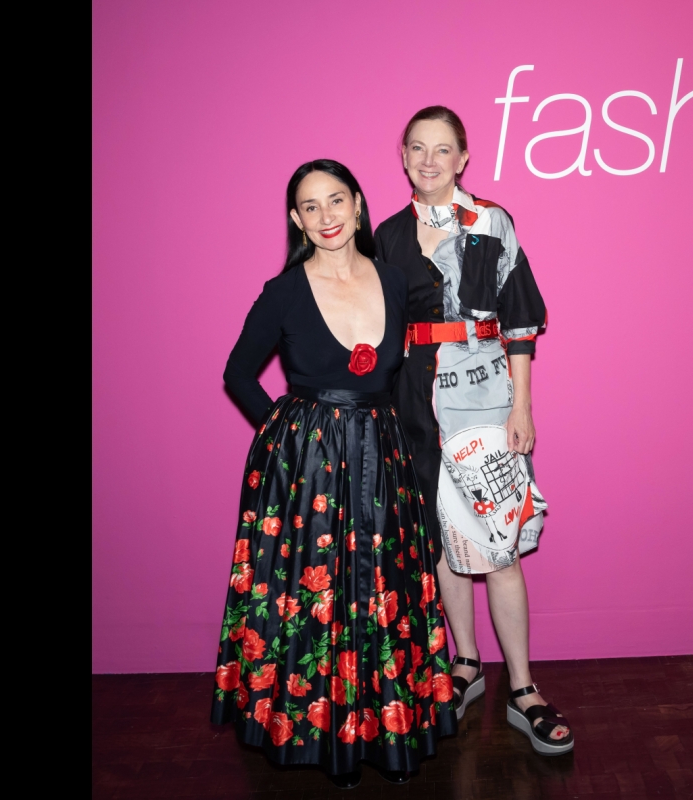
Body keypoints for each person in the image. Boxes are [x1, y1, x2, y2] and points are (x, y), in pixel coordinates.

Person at [212, 159, 456, 788]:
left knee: (384, 591)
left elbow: (413, 369)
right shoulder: (285, 291)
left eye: (336, 201)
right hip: (310, 469)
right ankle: (321, 739)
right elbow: (239, 374)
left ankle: (389, 729)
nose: (326, 217)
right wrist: (286, 435)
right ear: (296, 219)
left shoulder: (397, 282)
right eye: (310, 207)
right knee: (318, 599)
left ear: (357, 205)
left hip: (384, 456)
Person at [374, 107, 573, 756]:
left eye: (442, 150)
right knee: (442, 545)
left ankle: (523, 689)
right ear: (402, 157)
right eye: (416, 149)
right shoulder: (385, 236)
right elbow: (373, 330)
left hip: (484, 406)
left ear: (463, 158)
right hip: (410, 409)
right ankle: (465, 666)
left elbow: (519, 319)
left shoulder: (491, 223)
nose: (428, 161)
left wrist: (522, 409)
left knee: (501, 549)